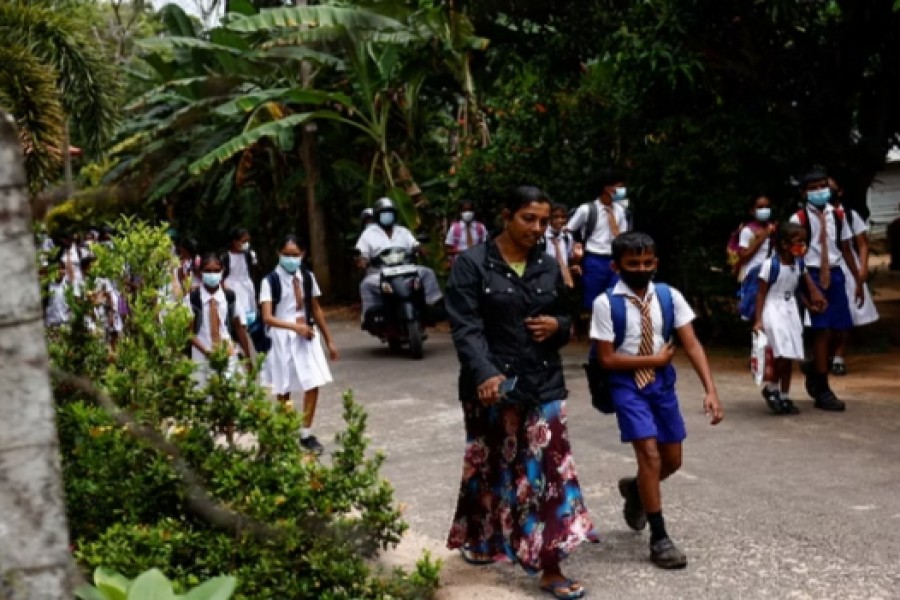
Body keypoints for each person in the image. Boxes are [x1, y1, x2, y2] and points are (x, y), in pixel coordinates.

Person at [445, 185, 594, 600]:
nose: (538, 228)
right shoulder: (472, 265)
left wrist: (558, 326)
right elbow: (466, 327)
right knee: (491, 465)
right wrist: (486, 374)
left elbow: (566, 316)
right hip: (491, 387)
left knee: (549, 472)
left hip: (542, 383)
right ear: (506, 216)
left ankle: (550, 565)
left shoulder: (547, 265)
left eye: (544, 221)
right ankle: (484, 539)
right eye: (529, 218)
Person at [590, 231, 723, 570]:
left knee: (672, 460)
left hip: (661, 385)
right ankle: (659, 538)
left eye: (647, 262)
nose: (641, 268)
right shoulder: (606, 303)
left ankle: (637, 490)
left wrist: (710, 389)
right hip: (627, 385)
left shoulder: (668, 296)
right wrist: (654, 360)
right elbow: (606, 358)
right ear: (616, 266)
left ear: (656, 263)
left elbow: (691, 343)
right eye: (633, 263)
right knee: (649, 455)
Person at [789, 168, 863, 411]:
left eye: (823, 186)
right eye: (813, 188)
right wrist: (811, 289)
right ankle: (823, 388)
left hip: (835, 273)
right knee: (822, 330)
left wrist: (858, 280)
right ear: (804, 193)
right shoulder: (798, 219)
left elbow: (846, 248)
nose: (820, 191)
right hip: (811, 274)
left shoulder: (838, 216)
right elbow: (796, 256)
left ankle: (815, 367)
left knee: (840, 330)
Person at [260, 235, 339, 455]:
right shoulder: (270, 281)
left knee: (312, 382)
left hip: (306, 335)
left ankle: (306, 432)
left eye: (295, 255)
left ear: (303, 254)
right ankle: (285, 432)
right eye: (286, 254)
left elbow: (315, 308)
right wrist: (294, 327)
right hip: (282, 336)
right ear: (278, 254)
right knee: (283, 387)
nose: (291, 259)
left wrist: (329, 340)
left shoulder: (306, 277)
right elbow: (267, 317)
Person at [752, 223, 827, 414]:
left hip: (790, 310)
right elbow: (761, 293)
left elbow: (798, 289)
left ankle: (785, 395)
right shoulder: (771, 265)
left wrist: (810, 305)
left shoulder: (799, 264)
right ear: (785, 244)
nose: (802, 245)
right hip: (773, 309)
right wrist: (758, 320)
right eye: (798, 241)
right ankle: (772, 388)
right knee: (782, 355)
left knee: (791, 354)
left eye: (804, 241)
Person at [355, 197, 443, 320]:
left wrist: (420, 249)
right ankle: (371, 316)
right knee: (366, 284)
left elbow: (414, 244)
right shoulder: (368, 234)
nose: (387, 216)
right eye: (384, 213)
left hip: (406, 270)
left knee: (427, 273)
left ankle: (432, 304)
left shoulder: (403, 231)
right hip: (380, 273)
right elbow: (362, 253)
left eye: (390, 213)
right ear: (377, 216)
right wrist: (363, 260)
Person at [826, 176, 879, 375]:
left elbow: (862, 244)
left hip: (847, 267)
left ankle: (838, 357)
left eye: (830, 187)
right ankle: (825, 354)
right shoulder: (814, 216)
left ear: (840, 191)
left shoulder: (849, 215)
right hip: (824, 267)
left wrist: (862, 269)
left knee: (848, 312)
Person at [185, 253, 253, 388]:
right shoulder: (193, 299)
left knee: (232, 391)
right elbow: (189, 333)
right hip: (202, 355)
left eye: (216, 271)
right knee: (204, 393)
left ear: (222, 271)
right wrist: (206, 352)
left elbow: (238, 327)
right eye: (208, 271)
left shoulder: (229, 297)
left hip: (227, 353)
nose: (212, 274)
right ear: (201, 272)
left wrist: (247, 356)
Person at [566, 168, 629, 309]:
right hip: (594, 259)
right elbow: (568, 230)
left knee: (615, 298)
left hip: (614, 259)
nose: (622, 190)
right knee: (592, 299)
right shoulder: (587, 209)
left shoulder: (621, 210)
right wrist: (574, 253)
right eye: (619, 186)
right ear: (607, 188)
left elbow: (624, 236)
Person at [735, 194, 777, 282]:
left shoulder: (774, 229)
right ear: (752, 211)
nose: (764, 210)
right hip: (752, 276)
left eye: (767, 207)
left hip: (770, 275)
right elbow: (743, 257)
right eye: (760, 207)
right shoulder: (747, 230)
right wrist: (761, 238)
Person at [223, 227, 258, 330]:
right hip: (233, 287)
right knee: (239, 315)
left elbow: (253, 270)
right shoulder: (226, 257)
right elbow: (222, 275)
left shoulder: (248, 255)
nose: (246, 244)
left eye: (248, 241)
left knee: (250, 314)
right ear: (235, 242)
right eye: (244, 241)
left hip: (246, 285)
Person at [445, 199, 488, 263]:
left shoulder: (481, 228)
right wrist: (462, 252)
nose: (467, 213)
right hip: (460, 262)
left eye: (469, 210)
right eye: (464, 210)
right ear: (460, 212)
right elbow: (447, 250)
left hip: (478, 262)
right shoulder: (454, 229)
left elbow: (487, 246)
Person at [544, 203, 576, 288]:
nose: (560, 220)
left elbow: (568, 258)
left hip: (562, 279)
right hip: (545, 277)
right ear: (549, 218)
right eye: (556, 217)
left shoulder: (567, 237)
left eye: (563, 217)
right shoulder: (542, 237)